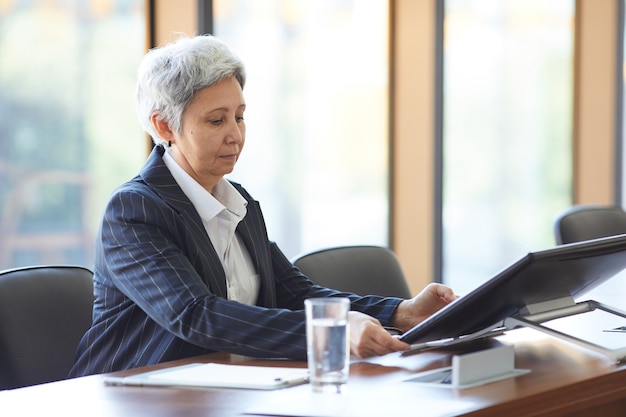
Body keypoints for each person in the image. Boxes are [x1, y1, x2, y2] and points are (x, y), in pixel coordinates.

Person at [69, 34, 456, 377]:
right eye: (216, 121)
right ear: (165, 126)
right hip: (131, 396)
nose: (235, 135)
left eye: (239, 117)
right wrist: (332, 333)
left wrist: (402, 312)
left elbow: (294, 293)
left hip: (226, 389)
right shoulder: (134, 211)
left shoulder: (240, 203)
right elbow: (195, 315)